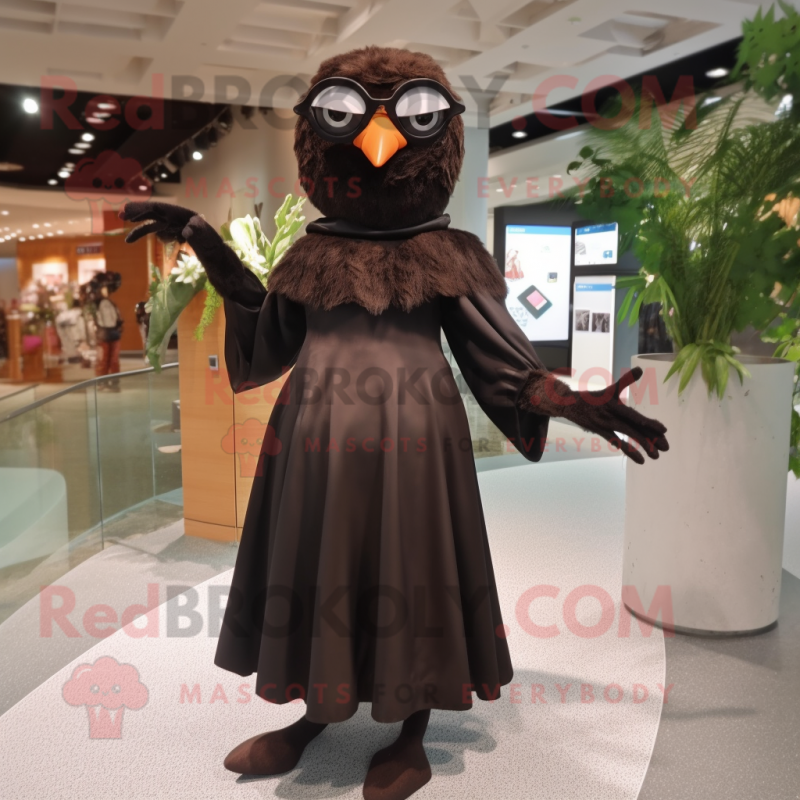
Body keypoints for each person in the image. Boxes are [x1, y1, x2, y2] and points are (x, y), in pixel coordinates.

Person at [120, 46, 669, 800]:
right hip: (312, 444)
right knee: (320, 568)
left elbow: (501, 360)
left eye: (409, 120)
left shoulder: (448, 256)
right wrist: (207, 244)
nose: (379, 142)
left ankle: (411, 728)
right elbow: (264, 335)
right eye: (349, 118)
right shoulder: (310, 256)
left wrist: (570, 402)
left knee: (412, 569)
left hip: (417, 445)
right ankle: (318, 711)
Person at [93, 273, 123, 389]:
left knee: (113, 360)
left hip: (111, 333)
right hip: (104, 333)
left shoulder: (108, 302)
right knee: (104, 359)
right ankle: (103, 382)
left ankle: (113, 382)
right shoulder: (99, 303)